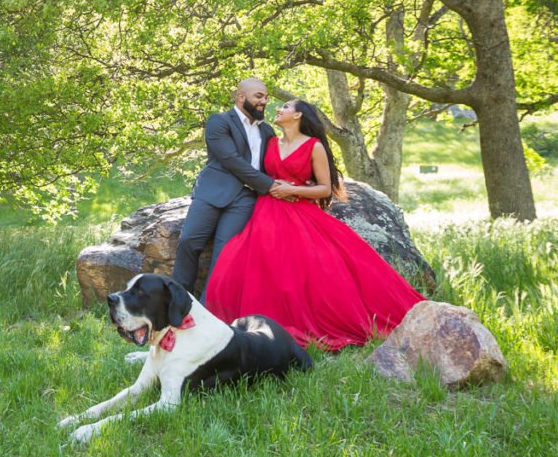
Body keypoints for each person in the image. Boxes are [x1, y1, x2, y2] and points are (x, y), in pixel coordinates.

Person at [203, 98, 425, 350]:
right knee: (241, 261)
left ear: (298, 115)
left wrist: (293, 189)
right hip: (267, 210)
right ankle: (252, 326)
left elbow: (325, 188)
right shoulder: (270, 142)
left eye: (286, 107)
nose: (279, 109)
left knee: (316, 267)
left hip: (299, 210)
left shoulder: (313, 146)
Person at [171, 78, 293, 293]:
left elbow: (276, 162)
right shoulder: (219, 121)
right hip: (212, 192)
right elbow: (231, 160)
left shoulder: (267, 131)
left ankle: (207, 307)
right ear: (240, 97)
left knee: (225, 254)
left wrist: (301, 181)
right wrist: (270, 185)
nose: (264, 101)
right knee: (189, 242)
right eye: (258, 96)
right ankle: (179, 302)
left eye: (266, 97)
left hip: (246, 198)